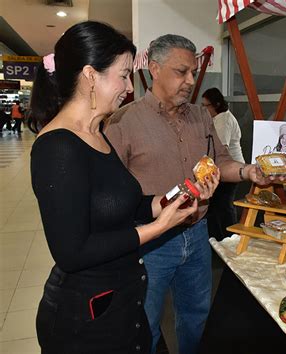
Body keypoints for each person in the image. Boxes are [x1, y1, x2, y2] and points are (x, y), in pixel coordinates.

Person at [28, 21, 198, 353]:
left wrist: (170, 200)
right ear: (91, 75)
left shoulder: (97, 133)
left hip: (122, 303)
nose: (129, 87)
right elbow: (72, 252)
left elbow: (125, 205)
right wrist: (159, 227)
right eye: (123, 75)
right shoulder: (57, 147)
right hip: (85, 319)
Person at [105, 34, 269, 354]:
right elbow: (111, 189)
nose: (190, 81)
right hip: (152, 241)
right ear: (154, 68)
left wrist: (248, 171)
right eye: (181, 72)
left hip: (197, 235)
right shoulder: (124, 120)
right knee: (147, 322)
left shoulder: (200, 116)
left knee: (196, 316)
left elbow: (220, 160)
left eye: (193, 72)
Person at [202, 87, 245, 240]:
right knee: (217, 206)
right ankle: (219, 239)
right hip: (228, 167)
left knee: (224, 206)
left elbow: (221, 148)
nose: (204, 109)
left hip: (230, 168)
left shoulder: (223, 120)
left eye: (206, 105)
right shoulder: (220, 118)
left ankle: (230, 239)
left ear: (216, 104)